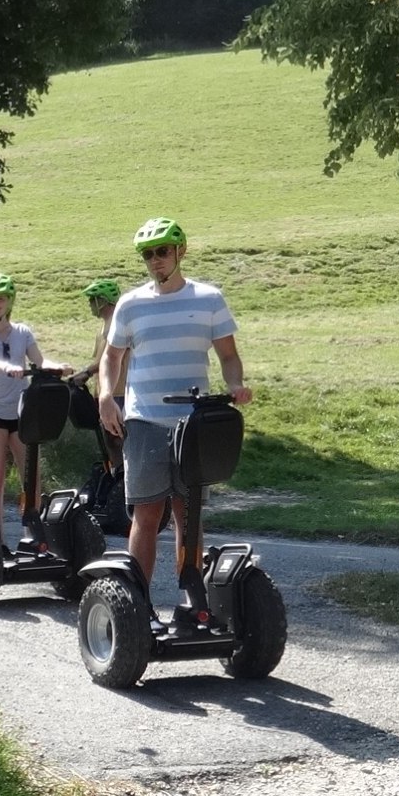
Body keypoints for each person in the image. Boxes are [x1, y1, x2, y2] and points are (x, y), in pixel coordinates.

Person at [96, 217, 253, 590]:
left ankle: (191, 601)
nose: (156, 260)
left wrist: (235, 385)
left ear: (181, 251)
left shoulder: (208, 299)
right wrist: (105, 395)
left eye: (163, 251)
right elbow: (111, 357)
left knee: (189, 516)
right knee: (146, 515)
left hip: (193, 423)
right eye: (149, 255)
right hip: (146, 420)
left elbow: (228, 356)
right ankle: (137, 602)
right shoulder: (131, 304)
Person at [0, 273, 65, 533]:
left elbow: (40, 361)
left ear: (10, 301)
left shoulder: (22, 332)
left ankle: (34, 534)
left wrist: (57, 367)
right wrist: (7, 367)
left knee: (31, 479)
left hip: (21, 410)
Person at [71, 278, 126, 471]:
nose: (90, 304)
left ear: (103, 300)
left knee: (116, 441)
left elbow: (105, 360)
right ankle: (117, 481)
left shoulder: (115, 325)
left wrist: (85, 373)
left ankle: (122, 484)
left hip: (119, 392)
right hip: (105, 393)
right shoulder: (104, 326)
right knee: (110, 443)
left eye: (92, 299)